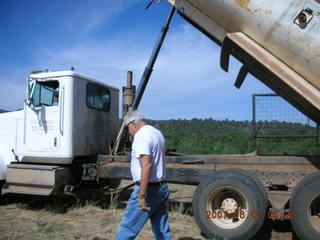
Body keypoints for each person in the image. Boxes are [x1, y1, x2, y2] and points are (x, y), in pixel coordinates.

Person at [115, 110, 172, 240]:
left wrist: (141, 194)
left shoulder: (141, 136)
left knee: (127, 228)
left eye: (128, 128)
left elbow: (147, 165)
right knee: (162, 231)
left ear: (133, 123)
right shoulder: (157, 133)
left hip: (148, 190)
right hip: (161, 187)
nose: (129, 132)